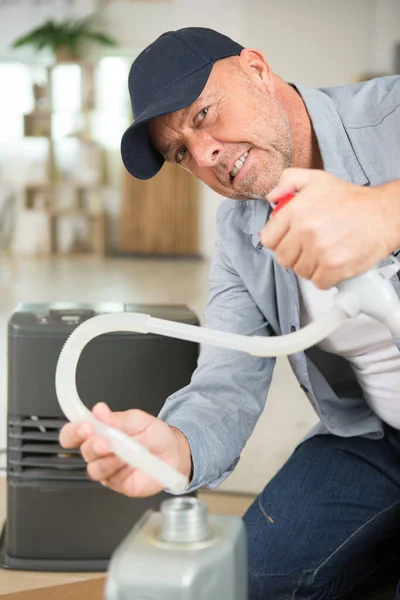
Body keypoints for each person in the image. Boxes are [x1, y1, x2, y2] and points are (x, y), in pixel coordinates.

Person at [59, 27, 400, 599]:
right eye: (180, 153)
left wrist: (384, 210)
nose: (206, 153)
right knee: (242, 581)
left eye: (203, 114)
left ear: (258, 70)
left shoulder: (388, 116)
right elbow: (226, 382)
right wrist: (178, 446)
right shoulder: (242, 236)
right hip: (376, 439)